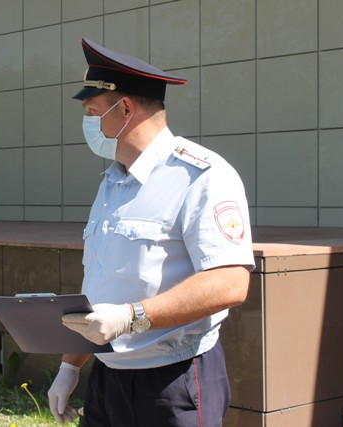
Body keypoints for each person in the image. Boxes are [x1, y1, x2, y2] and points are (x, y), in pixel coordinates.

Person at [47, 39, 255, 426]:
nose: (87, 121)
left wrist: (132, 317)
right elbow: (103, 280)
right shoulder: (113, 182)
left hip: (174, 379)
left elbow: (230, 283)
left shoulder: (202, 176)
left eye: (92, 111)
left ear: (124, 108)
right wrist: (70, 365)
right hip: (108, 376)